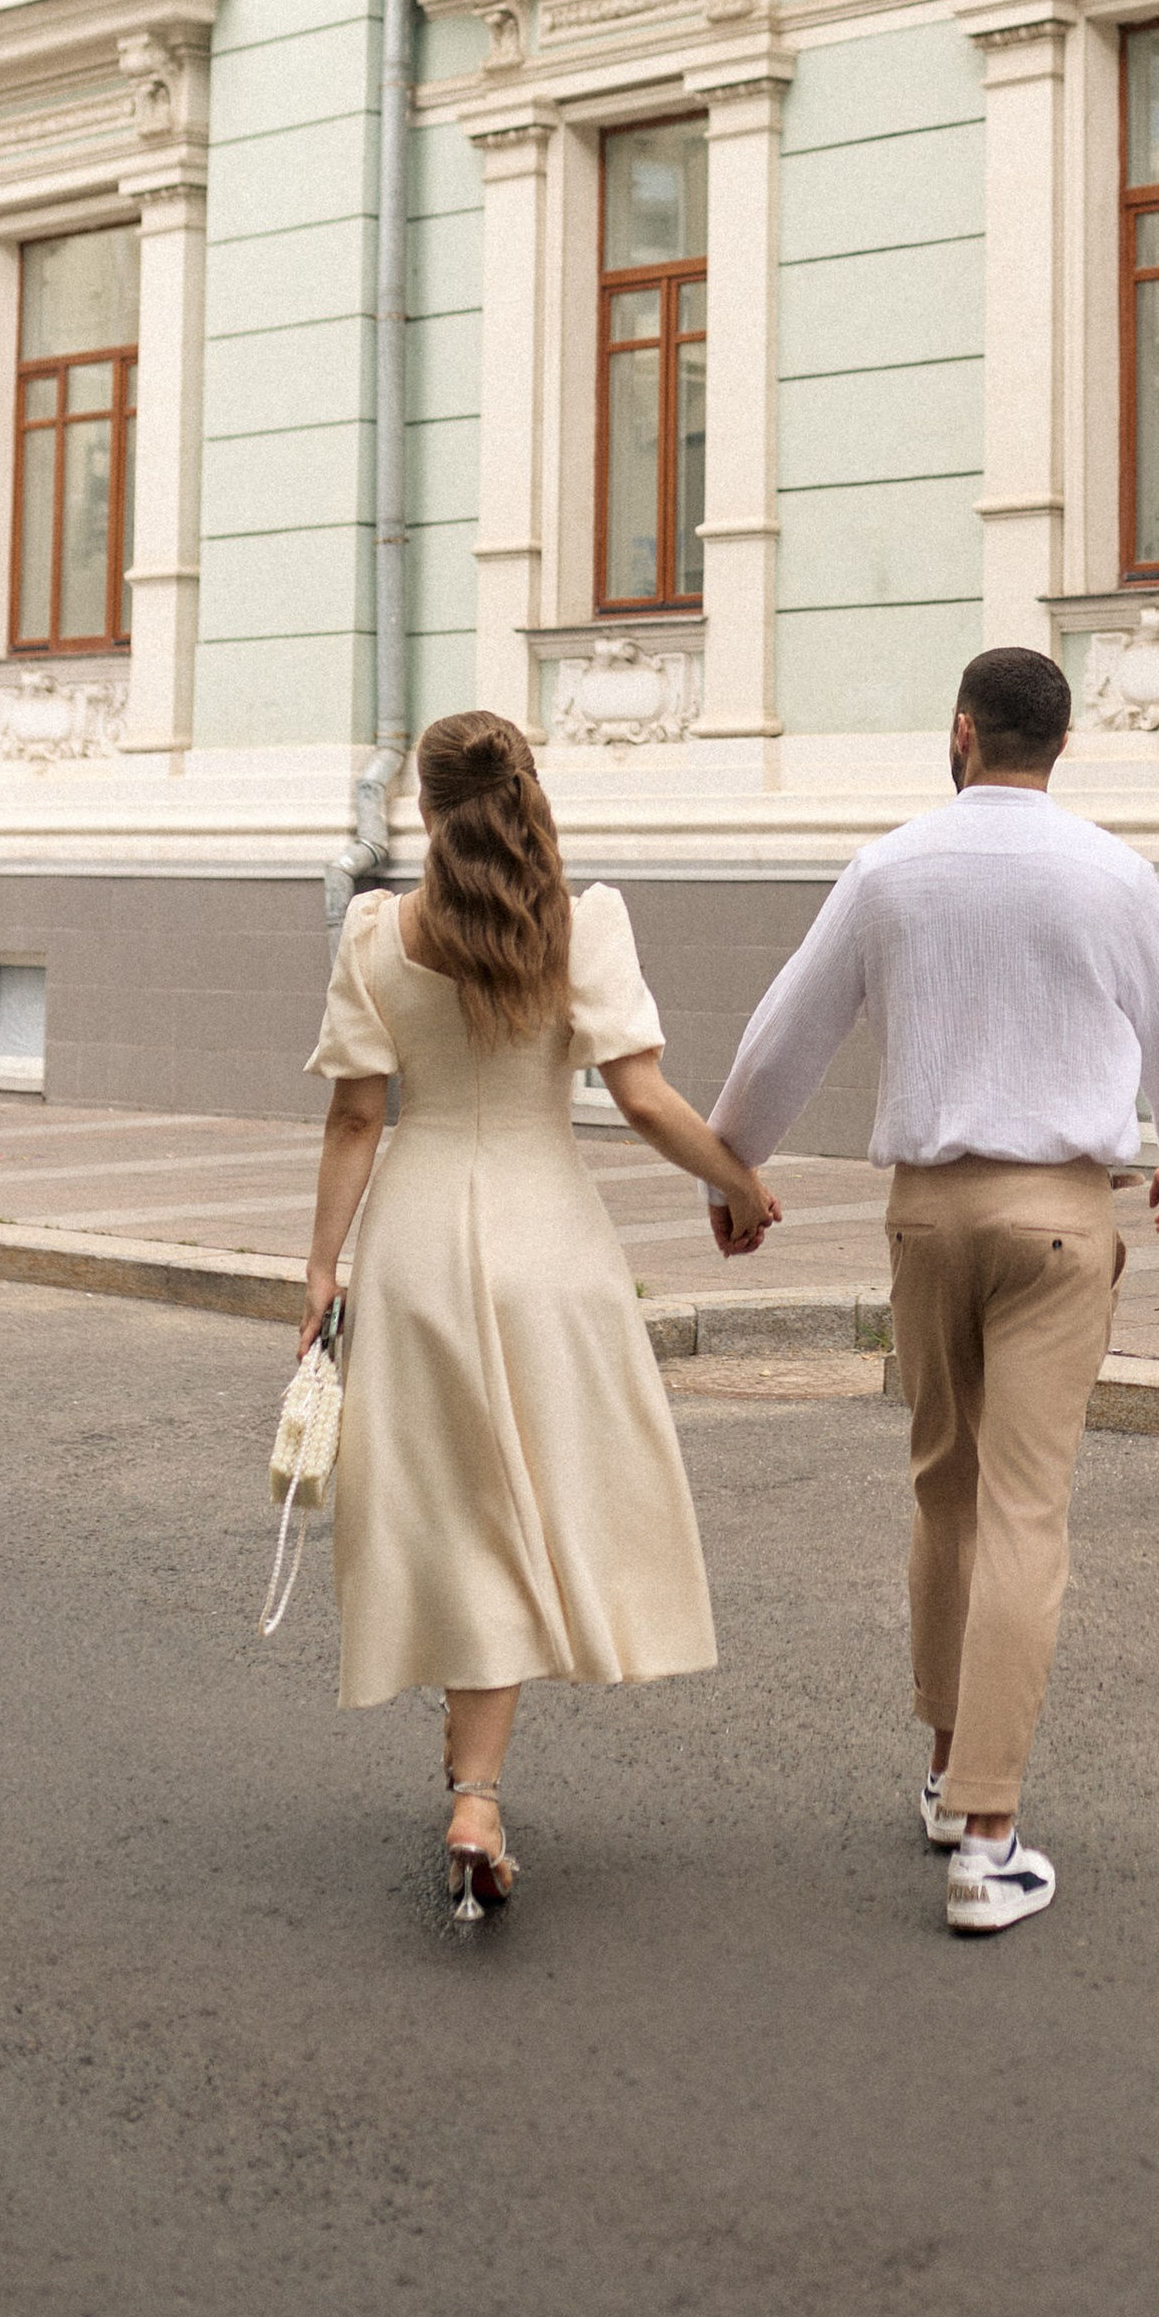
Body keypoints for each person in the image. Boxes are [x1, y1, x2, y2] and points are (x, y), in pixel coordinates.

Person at [708, 645, 1159, 1938]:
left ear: (960, 735)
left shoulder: (890, 868)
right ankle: (989, 1841)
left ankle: (948, 1776)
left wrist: (734, 1168)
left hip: (927, 1223)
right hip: (1057, 1223)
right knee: (1024, 1511)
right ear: (1059, 746)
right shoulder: (1113, 871)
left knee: (943, 1489)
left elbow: (787, 1031)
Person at [297, 710, 779, 1919]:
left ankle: (475, 1787)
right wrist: (740, 1183)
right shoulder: (583, 921)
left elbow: (357, 1116)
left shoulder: (376, 930)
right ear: (528, 787)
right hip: (546, 1236)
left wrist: (320, 1272)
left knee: (458, 1502)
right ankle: (475, 1792)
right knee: (527, 1497)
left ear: (422, 802)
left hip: (412, 1242)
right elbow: (645, 1097)